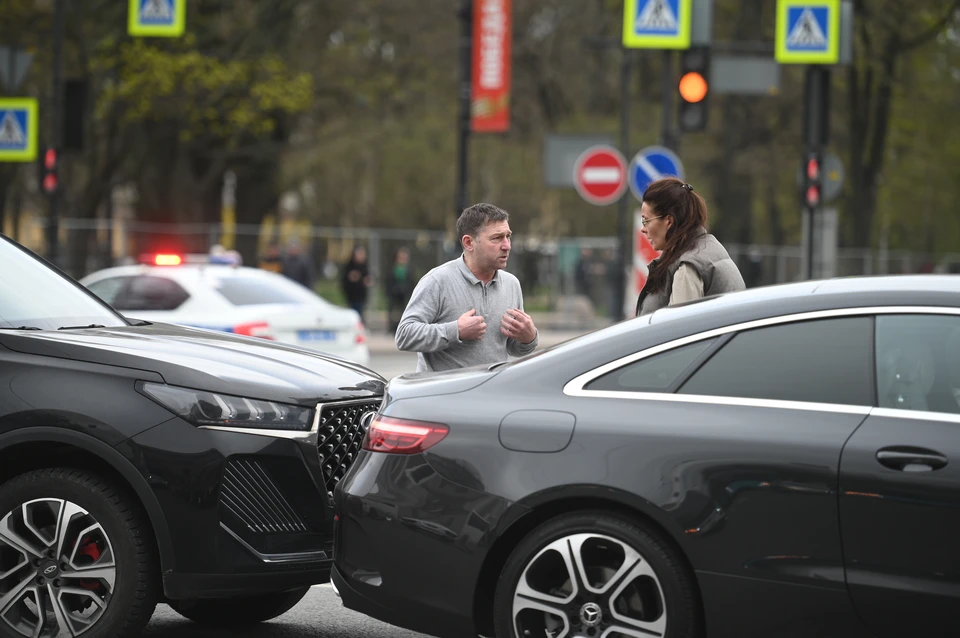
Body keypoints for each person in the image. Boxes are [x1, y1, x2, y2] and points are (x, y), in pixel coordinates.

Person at [396, 203, 538, 373]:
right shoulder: (437, 281)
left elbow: (513, 348)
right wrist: (456, 330)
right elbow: (404, 336)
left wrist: (529, 338)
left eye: (508, 236)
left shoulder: (512, 284)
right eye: (497, 238)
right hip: (443, 396)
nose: (507, 245)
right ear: (469, 242)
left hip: (491, 395)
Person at [635, 177, 745, 316]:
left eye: (646, 221)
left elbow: (679, 329)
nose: (643, 229)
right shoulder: (708, 248)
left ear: (668, 221)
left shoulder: (689, 266)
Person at [385, 247, 415, 334]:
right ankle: (392, 328)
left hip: (405, 295)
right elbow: (389, 282)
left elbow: (411, 283)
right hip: (394, 295)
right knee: (393, 312)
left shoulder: (409, 270)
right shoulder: (393, 269)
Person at [341, 246, 372, 323]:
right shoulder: (349, 266)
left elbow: (369, 278)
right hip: (352, 294)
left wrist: (367, 280)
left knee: (360, 312)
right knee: (354, 312)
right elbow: (344, 280)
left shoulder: (365, 266)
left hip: (361, 295)